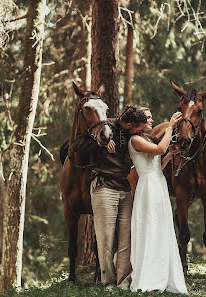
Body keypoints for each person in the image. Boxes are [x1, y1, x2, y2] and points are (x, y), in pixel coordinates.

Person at [71, 105, 147, 289]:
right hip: (104, 187)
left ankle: (123, 282)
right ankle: (109, 282)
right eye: (136, 128)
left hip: (124, 188)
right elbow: (75, 146)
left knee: (125, 240)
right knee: (106, 239)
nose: (139, 131)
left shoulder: (132, 133)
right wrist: (100, 142)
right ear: (128, 124)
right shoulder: (104, 127)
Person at [128, 108, 188, 294]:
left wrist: (170, 154)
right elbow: (159, 149)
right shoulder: (135, 140)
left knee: (161, 228)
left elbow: (158, 166)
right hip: (147, 188)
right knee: (149, 228)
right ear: (138, 122)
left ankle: (163, 273)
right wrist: (170, 126)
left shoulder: (147, 139)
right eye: (148, 117)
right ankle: (149, 276)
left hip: (158, 184)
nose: (151, 120)